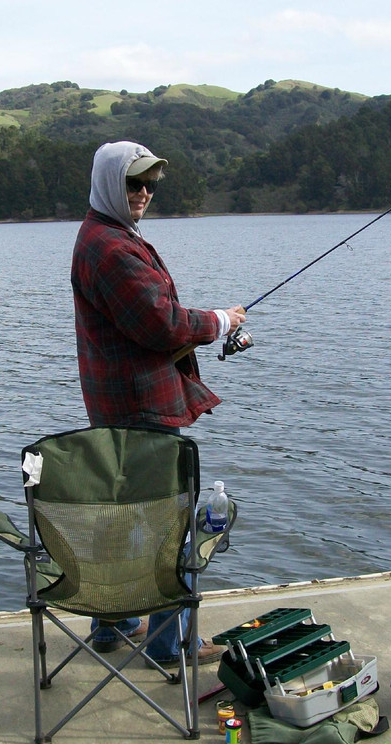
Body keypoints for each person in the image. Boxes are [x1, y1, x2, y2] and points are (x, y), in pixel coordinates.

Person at [70, 140, 246, 666]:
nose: (144, 192)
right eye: (134, 182)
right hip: (140, 409)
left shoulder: (104, 235)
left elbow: (147, 323)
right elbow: (162, 323)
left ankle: (113, 623)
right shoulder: (112, 248)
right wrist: (219, 321)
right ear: (109, 183)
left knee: (123, 519)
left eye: (149, 183)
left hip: (119, 405)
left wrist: (205, 325)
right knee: (168, 528)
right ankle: (173, 645)